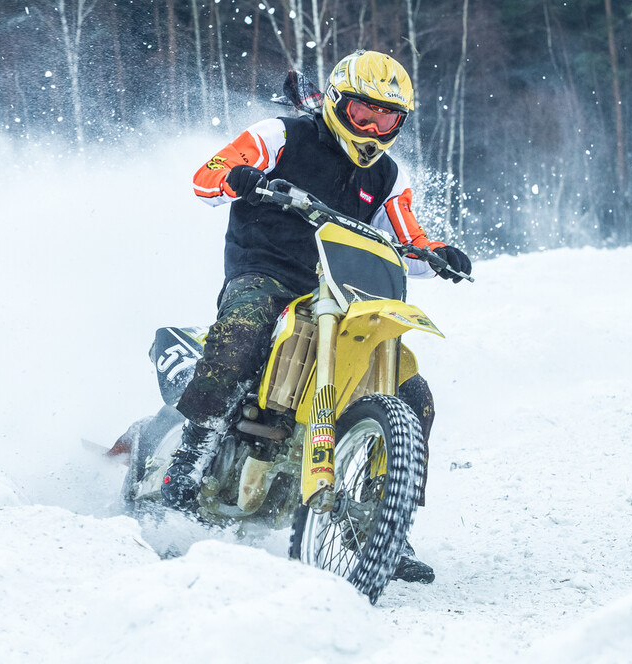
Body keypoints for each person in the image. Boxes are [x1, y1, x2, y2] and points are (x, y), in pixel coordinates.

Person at [165, 50, 472, 584]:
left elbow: (408, 238)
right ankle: (186, 467)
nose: (375, 128)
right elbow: (206, 175)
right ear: (336, 104)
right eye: (364, 114)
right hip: (266, 275)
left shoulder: (388, 175)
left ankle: (384, 524)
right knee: (243, 334)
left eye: (389, 118)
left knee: (415, 396)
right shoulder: (280, 134)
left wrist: (438, 253)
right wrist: (241, 178)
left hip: (342, 292)